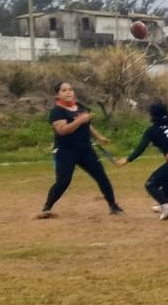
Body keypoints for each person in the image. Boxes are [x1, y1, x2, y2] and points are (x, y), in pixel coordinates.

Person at [37, 81, 124, 218]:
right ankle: (47, 208)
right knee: (63, 182)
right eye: (64, 90)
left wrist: (99, 137)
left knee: (101, 176)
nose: (68, 92)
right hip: (66, 151)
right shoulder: (57, 112)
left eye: (70, 89)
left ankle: (113, 206)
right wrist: (79, 121)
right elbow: (62, 130)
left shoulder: (80, 107)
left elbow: (87, 125)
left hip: (85, 150)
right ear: (58, 95)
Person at [115, 102, 168, 220]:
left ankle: (166, 206)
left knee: (151, 184)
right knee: (167, 179)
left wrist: (128, 159)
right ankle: (164, 204)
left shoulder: (152, 130)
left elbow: (140, 148)